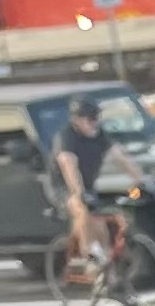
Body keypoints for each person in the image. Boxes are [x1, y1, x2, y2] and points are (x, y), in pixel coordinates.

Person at [53, 95, 142, 266]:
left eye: (97, 117)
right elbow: (68, 165)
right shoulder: (67, 137)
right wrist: (78, 192)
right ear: (77, 120)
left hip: (88, 185)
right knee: (82, 209)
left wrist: (140, 179)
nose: (95, 122)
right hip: (63, 186)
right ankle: (90, 255)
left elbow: (120, 157)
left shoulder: (99, 134)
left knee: (101, 224)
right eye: (91, 118)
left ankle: (106, 278)